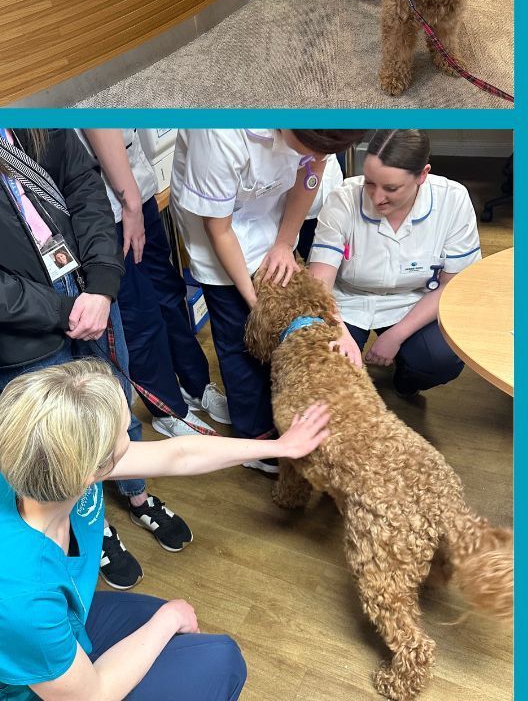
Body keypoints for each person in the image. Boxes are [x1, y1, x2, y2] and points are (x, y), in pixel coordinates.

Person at [0, 358, 328, 701]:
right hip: (44, 685)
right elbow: (91, 695)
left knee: (188, 642)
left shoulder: (39, 461)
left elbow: (179, 455)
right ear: (89, 472)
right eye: (123, 431)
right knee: (222, 659)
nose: (130, 427)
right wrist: (167, 620)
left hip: (66, 619)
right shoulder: (22, 596)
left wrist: (280, 447)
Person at [0, 128, 190, 592]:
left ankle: (137, 493)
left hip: (88, 290)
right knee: (61, 440)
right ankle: (94, 527)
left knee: (117, 407)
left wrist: (103, 284)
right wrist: (62, 310)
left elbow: (84, 186)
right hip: (25, 330)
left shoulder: (33, 119)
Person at [169, 130, 366, 473]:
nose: (315, 155)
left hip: (271, 216)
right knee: (239, 337)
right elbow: (220, 229)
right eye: (310, 148)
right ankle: (255, 439)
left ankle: (279, 416)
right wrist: (254, 302)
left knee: (276, 335)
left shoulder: (318, 131)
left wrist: (284, 243)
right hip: (220, 231)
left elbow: (311, 170)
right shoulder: (218, 133)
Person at [308, 130, 482, 397]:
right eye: (370, 184)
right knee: (324, 366)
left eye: (391, 188)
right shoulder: (343, 198)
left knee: (441, 359)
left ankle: (407, 381)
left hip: (415, 301)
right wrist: (339, 332)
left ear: (422, 175)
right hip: (348, 301)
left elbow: (452, 285)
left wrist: (397, 335)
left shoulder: (453, 200)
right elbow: (318, 284)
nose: (377, 198)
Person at [81, 131, 230, 439]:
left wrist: (137, 197)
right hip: (105, 205)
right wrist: (131, 202)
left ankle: (195, 385)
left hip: (137, 184)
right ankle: (168, 410)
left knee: (168, 293)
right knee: (139, 314)